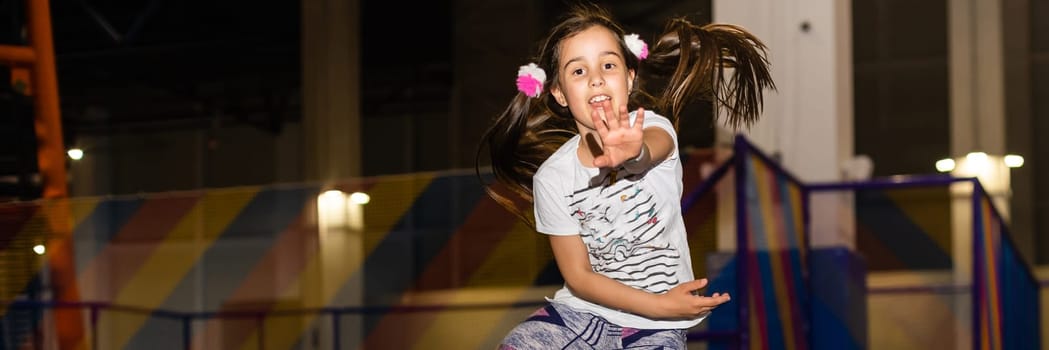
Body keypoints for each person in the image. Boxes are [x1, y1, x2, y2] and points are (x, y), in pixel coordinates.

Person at [476, 2, 774, 349]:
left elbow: (651, 148)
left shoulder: (655, 130)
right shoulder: (552, 178)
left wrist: (633, 154)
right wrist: (660, 304)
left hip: (655, 326)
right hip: (583, 312)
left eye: (608, 65)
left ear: (630, 78)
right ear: (558, 93)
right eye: (578, 71)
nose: (597, 78)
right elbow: (579, 276)